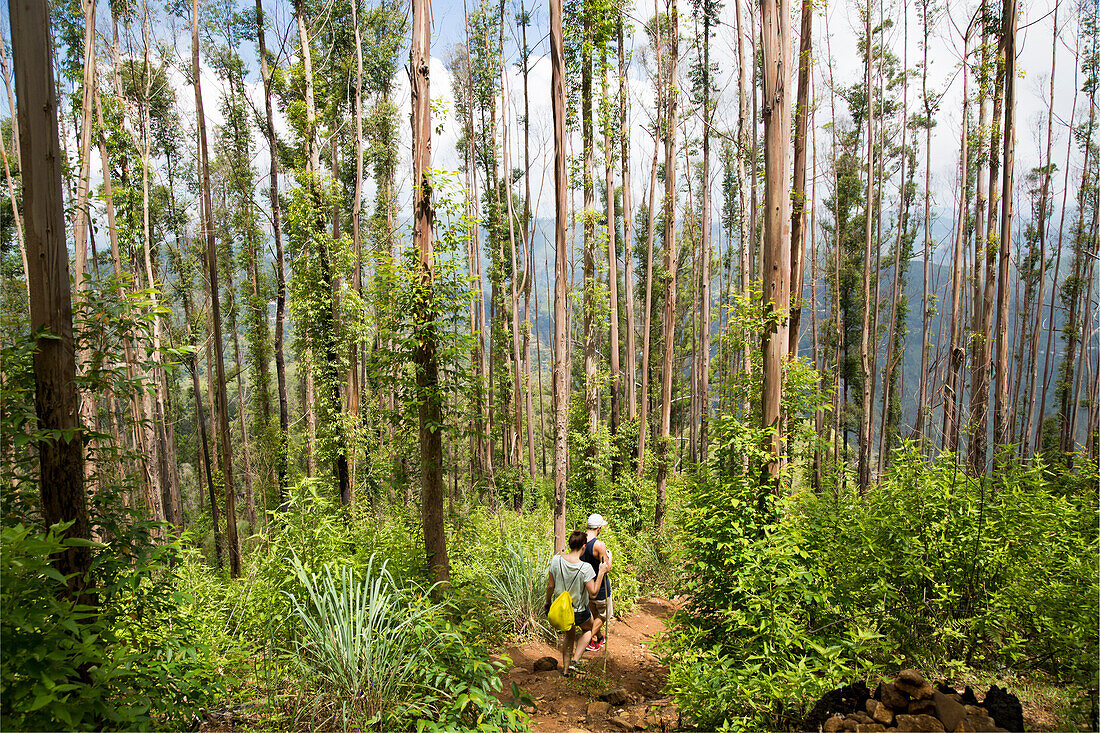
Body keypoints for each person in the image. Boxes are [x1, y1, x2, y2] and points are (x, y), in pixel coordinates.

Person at [544, 530, 609, 676]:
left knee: (569, 635)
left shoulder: (556, 560)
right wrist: (600, 573)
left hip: (560, 609)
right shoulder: (585, 568)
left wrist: (548, 602)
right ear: (584, 546)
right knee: (588, 629)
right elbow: (593, 593)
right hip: (578, 611)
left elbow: (550, 585)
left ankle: (565, 670)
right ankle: (575, 661)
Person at [580, 514, 612, 651]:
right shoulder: (599, 545)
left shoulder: (580, 541)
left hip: (586, 585)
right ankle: (587, 640)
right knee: (604, 615)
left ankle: (598, 638)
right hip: (600, 587)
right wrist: (610, 557)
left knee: (592, 614)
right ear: (598, 528)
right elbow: (606, 568)